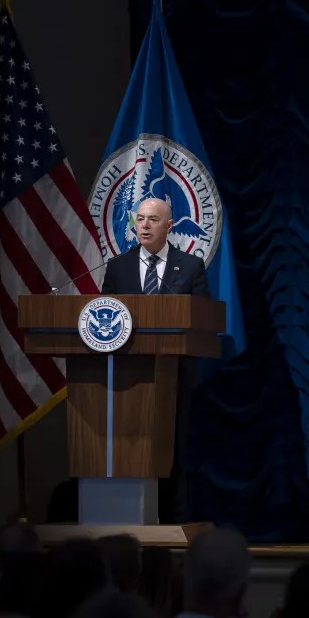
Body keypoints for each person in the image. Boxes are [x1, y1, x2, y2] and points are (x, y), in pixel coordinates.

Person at [100, 196, 211, 524]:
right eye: (140, 219)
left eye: (153, 219)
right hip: (126, 374)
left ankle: (173, 520)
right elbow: (106, 314)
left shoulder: (190, 266)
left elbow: (203, 318)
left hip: (175, 375)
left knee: (173, 449)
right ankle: (129, 518)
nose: (144, 225)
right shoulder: (117, 267)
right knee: (129, 444)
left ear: (169, 226)